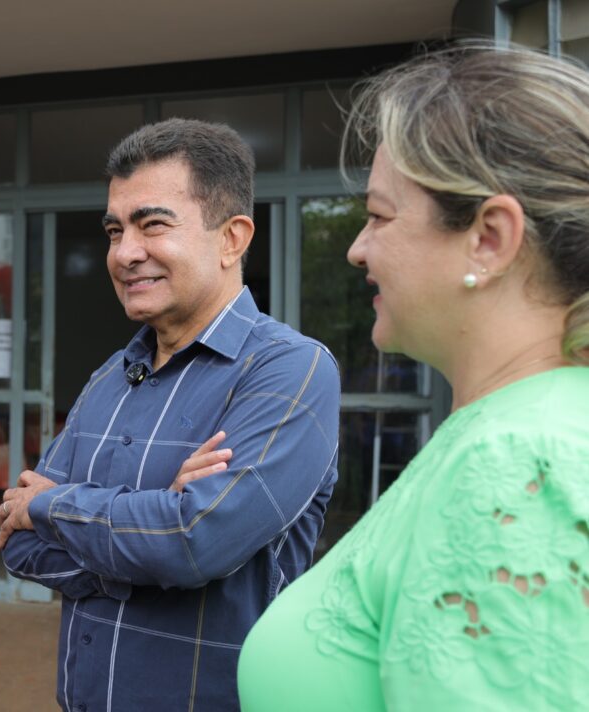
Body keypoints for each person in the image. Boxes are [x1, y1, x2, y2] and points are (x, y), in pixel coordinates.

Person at [237, 43, 589, 711]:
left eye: (379, 215)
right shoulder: (516, 426)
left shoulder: (516, 463)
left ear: (489, 238)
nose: (356, 248)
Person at [0, 118, 341, 710]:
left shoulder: (290, 370)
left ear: (232, 238)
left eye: (152, 224)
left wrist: (53, 506)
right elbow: (16, 542)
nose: (126, 253)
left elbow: (193, 541)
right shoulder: (109, 376)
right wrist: (150, 536)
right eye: (114, 230)